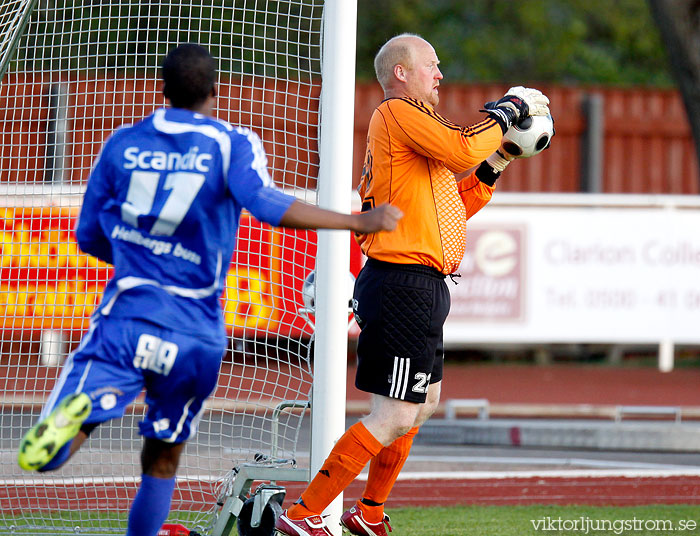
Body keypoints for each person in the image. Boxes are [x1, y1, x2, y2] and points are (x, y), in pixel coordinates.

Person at [16, 43, 402, 536]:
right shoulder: (231, 144)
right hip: (196, 331)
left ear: (162, 87)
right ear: (216, 90)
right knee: (162, 458)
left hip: (128, 316)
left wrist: (141, 256)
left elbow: (89, 233)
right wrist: (354, 219)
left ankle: (79, 418)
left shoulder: (124, 143)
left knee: (64, 434)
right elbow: (263, 203)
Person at [275, 33, 550, 536]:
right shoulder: (398, 112)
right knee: (396, 412)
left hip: (421, 283)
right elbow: (461, 146)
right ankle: (303, 515)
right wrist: (509, 111)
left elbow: (454, 206)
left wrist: (500, 159)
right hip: (404, 282)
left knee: (422, 404)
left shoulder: (419, 133)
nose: (439, 74)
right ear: (401, 73)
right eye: (431, 64)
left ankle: (370, 513)